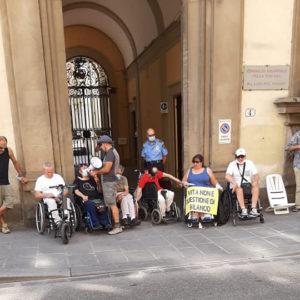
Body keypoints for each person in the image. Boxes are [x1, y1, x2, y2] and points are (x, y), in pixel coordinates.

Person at [90, 135, 121, 235]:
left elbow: (107, 169)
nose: (100, 147)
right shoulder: (111, 152)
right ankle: (115, 224)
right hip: (110, 181)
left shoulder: (110, 153)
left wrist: (96, 172)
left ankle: (117, 226)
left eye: (101, 144)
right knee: (112, 203)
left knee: (112, 204)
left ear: (105, 144)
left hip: (109, 181)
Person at [182, 154, 223, 228]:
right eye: (193, 162)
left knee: (204, 196)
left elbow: (213, 181)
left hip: (205, 192)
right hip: (193, 192)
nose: (195, 164)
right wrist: (185, 184)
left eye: (197, 162)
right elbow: (184, 181)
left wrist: (218, 186)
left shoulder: (207, 170)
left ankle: (205, 213)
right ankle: (195, 214)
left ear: (201, 162)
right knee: (194, 195)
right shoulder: (189, 171)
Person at [0, 136, 28, 233]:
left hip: (5, 182)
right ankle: (3, 225)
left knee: (9, 203)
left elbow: (15, 162)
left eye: (4, 146)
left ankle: (3, 225)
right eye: (1, 147)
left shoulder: (8, 151)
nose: (2, 149)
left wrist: (21, 176)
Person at [34, 162, 71, 227]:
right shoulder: (40, 179)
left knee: (66, 200)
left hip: (59, 196)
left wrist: (61, 195)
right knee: (51, 202)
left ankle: (66, 220)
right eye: (48, 172)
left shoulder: (58, 177)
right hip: (48, 197)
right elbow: (37, 194)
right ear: (44, 171)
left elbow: (65, 189)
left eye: (51, 172)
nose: (50, 174)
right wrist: (47, 195)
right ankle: (58, 221)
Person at [225, 148, 260, 217]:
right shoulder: (232, 164)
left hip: (247, 185)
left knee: (255, 187)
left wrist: (255, 181)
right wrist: (234, 183)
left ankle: (253, 208)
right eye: (238, 157)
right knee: (239, 189)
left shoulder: (250, 163)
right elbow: (227, 176)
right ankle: (243, 209)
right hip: (236, 186)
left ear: (245, 156)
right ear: (236, 157)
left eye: (242, 157)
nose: (240, 158)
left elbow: (256, 175)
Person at [73, 164, 109, 230]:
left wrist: (97, 182)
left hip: (95, 198)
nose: (86, 169)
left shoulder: (91, 179)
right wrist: (83, 196)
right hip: (86, 199)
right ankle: (96, 224)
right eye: (84, 168)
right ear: (80, 171)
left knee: (102, 204)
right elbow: (76, 191)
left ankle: (105, 223)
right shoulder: (77, 180)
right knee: (91, 206)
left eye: (87, 168)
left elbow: (99, 190)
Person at [285, 130, 300, 211]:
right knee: (299, 187)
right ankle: (298, 205)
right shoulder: (297, 135)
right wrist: (298, 146)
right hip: (298, 165)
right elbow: (287, 147)